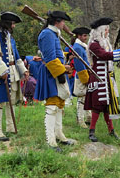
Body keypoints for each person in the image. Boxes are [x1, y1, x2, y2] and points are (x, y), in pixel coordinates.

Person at [84, 17, 120, 142]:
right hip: (98, 78)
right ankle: (91, 131)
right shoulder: (94, 44)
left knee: (107, 105)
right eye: (106, 29)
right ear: (100, 30)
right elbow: (104, 56)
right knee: (97, 106)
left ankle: (111, 131)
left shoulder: (105, 44)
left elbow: (110, 56)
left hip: (107, 78)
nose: (107, 32)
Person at [34, 11, 74, 151]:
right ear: (57, 21)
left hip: (57, 71)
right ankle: (50, 141)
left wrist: (66, 55)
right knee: (52, 107)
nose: (64, 25)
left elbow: (56, 53)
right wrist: (64, 69)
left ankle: (59, 135)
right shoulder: (47, 34)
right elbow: (50, 58)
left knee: (59, 105)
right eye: (63, 22)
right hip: (52, 72)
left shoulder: (53, 34)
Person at [0, 12, 29, 141]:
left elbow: (17, 56)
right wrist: (1, 71)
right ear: (6, 23)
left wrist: (23, 70)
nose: (13, 26)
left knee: (11, 100)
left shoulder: (10, 37)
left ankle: (10, 128)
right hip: (0, 73)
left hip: (12, 72)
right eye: (12, 24)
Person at [72, 27, 91, 128]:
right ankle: (80, 120)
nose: (86, 38)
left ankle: (88, 117)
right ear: (79, 36)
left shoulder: (81, 46)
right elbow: (79, 64)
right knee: (82, 98)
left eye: (86, 35)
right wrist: (85, 78)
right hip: (81, 75)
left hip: (85, 74)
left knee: (86, 97)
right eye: (84, 36)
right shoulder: (78, 47)